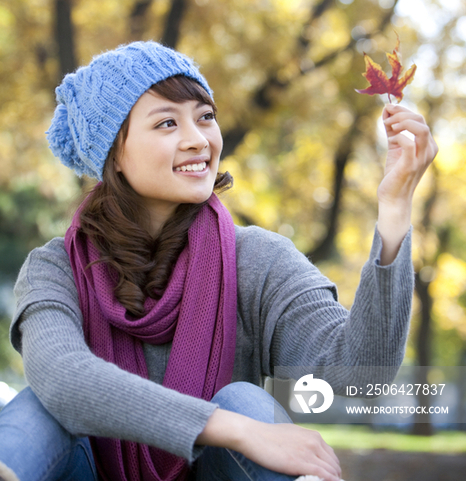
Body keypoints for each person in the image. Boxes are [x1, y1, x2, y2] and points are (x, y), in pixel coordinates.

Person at [0, 41, 437, 481]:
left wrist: (395, 207)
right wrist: (235, 430)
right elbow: (63, 378)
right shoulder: (55, 268)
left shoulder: (258, 260)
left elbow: (359, 376)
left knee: (245, 399)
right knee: (38, 409)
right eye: (167, 122)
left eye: (205, 116)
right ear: (115, 153)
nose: (198, 139)